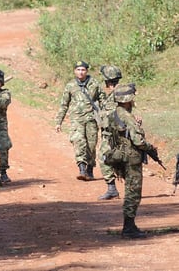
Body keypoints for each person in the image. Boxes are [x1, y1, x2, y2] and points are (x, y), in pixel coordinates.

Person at [110, 84, 157, 238]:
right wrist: (150, 148)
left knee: (130, 190)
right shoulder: (128, 117)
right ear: (128, 99)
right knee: (133, 192)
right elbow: (138, 141)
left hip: (120, 155)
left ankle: (129, 226)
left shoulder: (115, 113)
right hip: (131, 157)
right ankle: (129, 227)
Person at [55, 60, 106, 181]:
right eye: (78, 70)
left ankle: (90, 169)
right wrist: (58, 121)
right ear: (74, 71)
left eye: (83, 70)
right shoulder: (70, 85)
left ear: (87, 71)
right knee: (79, 142)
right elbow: (64, 105)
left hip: (91, 119)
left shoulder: (94, 84)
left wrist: (106, 117)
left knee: (91, 145)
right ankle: (82, 169)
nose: (81, 72)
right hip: (76, 120)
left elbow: (103, 101)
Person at [97, 65, 122, 200]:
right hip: (112, 133)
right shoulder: (120, 92)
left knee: (104, 159)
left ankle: (112, 189)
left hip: (114, 135)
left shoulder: (118, 94)